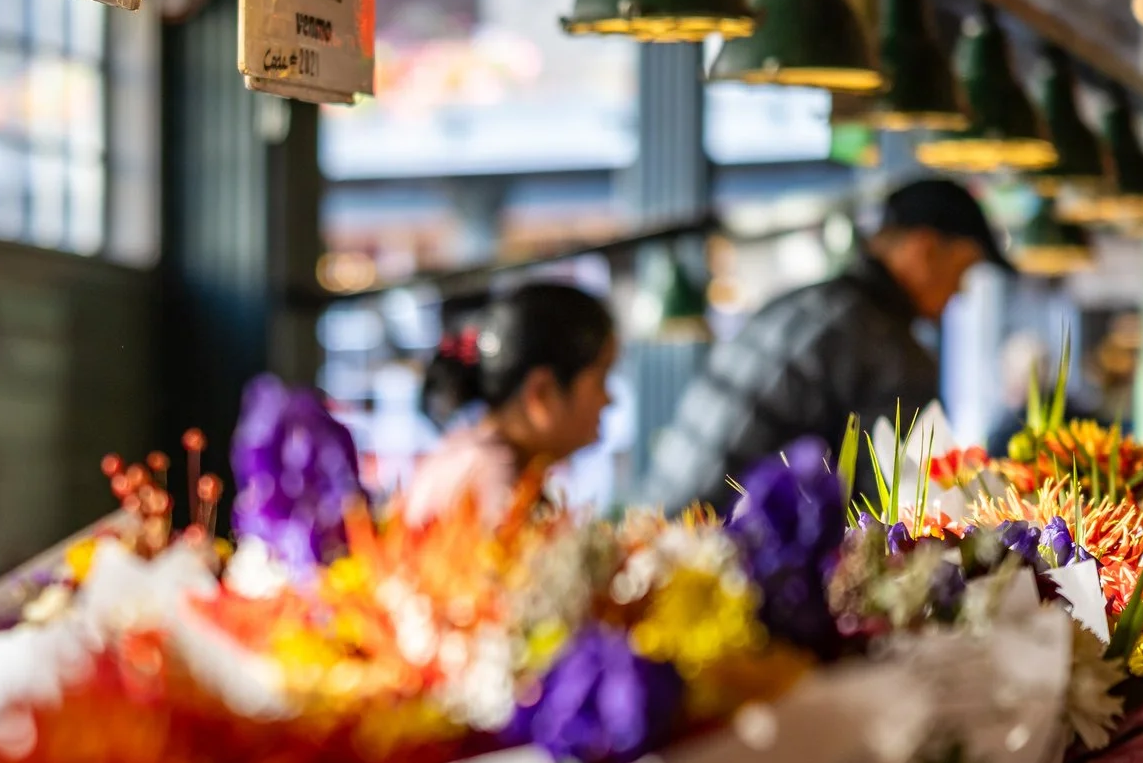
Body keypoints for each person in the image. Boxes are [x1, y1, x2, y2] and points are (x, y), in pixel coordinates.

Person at [641, 176, 1009, 512]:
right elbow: (894, 513)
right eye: (963, 270)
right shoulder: (889, 348)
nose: (960, 291)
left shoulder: (803, 303)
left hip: (664, 529)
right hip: (732, 550)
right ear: (924, 249)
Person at [401, 281, 619, 526]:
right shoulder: (495, 483)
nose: (610, 400)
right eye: (601, 380)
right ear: (542, 393)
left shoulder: (472, 459)